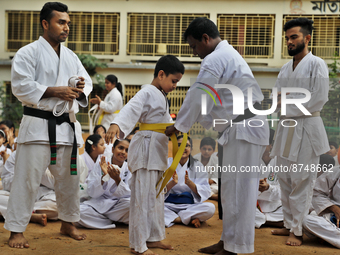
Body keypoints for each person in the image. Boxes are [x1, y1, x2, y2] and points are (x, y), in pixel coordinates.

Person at [165, 17, 269, 255]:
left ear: (206, 39)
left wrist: (180, 125)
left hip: (245, 129)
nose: (194, 53)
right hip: (237, 129)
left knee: (241, 191)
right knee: (229, 191)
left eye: (194, 47)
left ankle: (238, 247)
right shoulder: (226, 55)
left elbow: (199, 93)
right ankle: (228, 241)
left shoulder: (216, 57)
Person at [5, 2, 92, 249]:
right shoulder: (27, 53)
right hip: (37, 127)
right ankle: (16, 230)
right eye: (61, 22)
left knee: (69, 180)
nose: (66, 28)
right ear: (45, 23)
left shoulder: (71, 56)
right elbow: (20, 86)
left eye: (68, 23)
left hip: (66, 127)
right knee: (27, 180)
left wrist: (79, 88)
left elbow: (87, 86)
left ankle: (68, 222)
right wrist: (56, 91)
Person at [105, 55, 184, 255]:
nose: (175, 86)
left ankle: (154, 237)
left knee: (156, 197)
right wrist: (117, 124)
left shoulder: (161, 96)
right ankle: (138, 245)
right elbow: (131, 108)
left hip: (156, 150)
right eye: (174, 81)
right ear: (161, 74)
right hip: (146, 150)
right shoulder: (147, 91)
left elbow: (163, 123)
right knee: (142, 198)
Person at [270, 18, 329, 246]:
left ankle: (298, 229)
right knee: (284, 178)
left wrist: (287, 103)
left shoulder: (317, 64)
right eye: (287, 38)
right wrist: (284, 103)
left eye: (293, 37)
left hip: (307, 127)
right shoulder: (285, 68)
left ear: (307, 38)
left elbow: (319, 98)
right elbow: (276, 97)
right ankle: (288, 225)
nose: (289, 41)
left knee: (302, 180)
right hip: (286, 127)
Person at [77, 139, 131, 229]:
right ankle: (112, 220)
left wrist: (118, 180)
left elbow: (129, 194)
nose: (123, 152)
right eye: (120, 148)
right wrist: (104, 177)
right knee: (79, 213)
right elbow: (91, 192)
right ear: (113, 149)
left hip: (119, 205)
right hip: (99, 202)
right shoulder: (101, 164)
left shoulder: (129, 168)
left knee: (134, 207)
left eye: (127, 150)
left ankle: (102, 219)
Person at [165, 135, 215, 228]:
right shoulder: (166, 163)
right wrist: (172, 183)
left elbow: (205, 190)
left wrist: (190, 183)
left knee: (210, 208)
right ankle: (184, 219)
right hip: (168, 205)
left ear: (191, 149)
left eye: (186, 145)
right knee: (151, 208)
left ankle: (175, 217)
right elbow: (158, 190)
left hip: (189, 206)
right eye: (179, 144)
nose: (183, 148)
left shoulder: (198, 165)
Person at [302, 165, 340, 248]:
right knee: (307, 220)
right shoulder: (336, 171)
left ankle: (330, 237)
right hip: (334, 217)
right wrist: (334, 208)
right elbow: (316, 192)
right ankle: (332, 237)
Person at [255, 129, 283, 229]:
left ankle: (261, 221)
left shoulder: (281, 162)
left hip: (276, 207)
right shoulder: (250, 160)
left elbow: (284, 191)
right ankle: (274, 223)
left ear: (271, 145)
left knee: (294, 210)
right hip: (254, 206)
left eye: (263, 143)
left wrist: (268, 187)